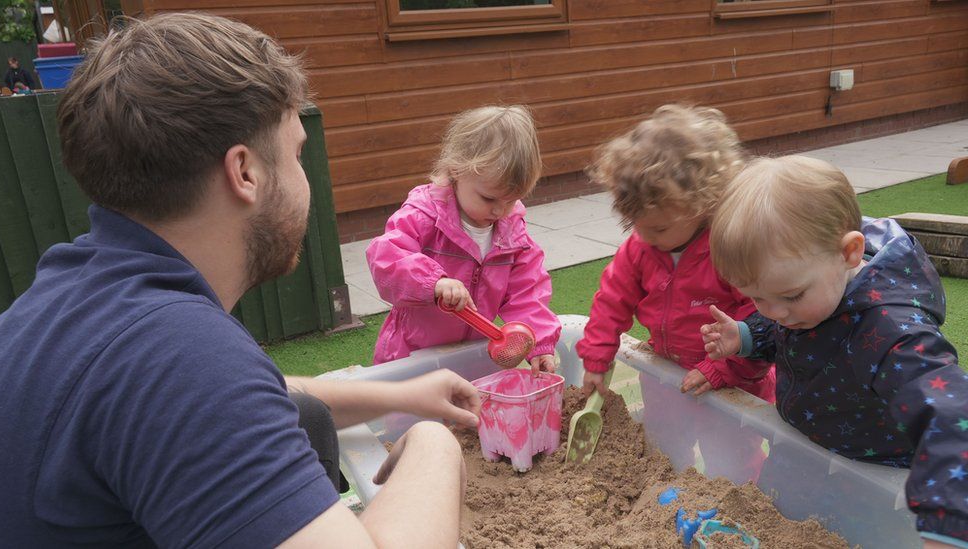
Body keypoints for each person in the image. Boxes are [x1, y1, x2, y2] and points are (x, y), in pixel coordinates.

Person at [0, 13, 480, 548]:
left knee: (305, 414)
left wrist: (404, 394)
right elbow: (204, 389)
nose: (305, 177)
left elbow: (259, 393)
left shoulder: (76, 294)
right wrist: (434, 446)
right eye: (297, 153)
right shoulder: (179, 356)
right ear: (245, 172)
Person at [702, 155, 968, 548]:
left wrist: (948, 522)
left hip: (871, 473)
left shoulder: (893, 335)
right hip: (804, 447)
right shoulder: (810, 290)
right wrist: (745, 336)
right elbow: (792, 335)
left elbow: (952, 415)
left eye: (791, 296)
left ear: (849, 253)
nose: (774, 312)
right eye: (757, 297)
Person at [577, 105, 775, 402]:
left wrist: (721, 368)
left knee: (728, 435)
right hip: (668, 373)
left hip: (733, 385)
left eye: (659, 228)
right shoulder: (640, 248)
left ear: (702, 205)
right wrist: (596, 359)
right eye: (635, 224)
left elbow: (762, 321)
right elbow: (611, 302)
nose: (645, 237)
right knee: (664, 430)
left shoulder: (729, 249)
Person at [366, 105, 561, 374]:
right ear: (456, 171)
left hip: (472, 359)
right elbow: (386, 260)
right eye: (489, 198)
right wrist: (433, 282)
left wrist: (538, 343)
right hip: (413, 357)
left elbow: (528, 293)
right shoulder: (423, 216)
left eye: (511, 200)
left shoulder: (513, 235)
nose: (499, 211)